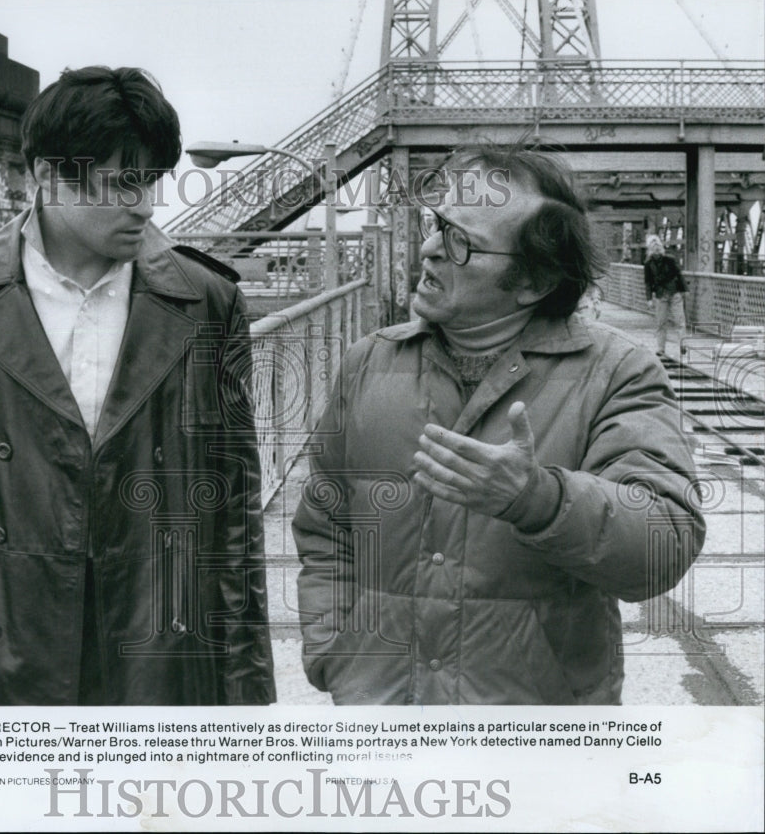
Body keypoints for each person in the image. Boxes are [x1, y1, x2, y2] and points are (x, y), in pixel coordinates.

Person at [0, 66, 275, 706]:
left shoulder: (208, 304)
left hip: (158, 668)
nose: (146, 205)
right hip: (0, 671)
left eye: (154, 181)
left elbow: (234, 522)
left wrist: (246, 701)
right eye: (123, 183)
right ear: (50, 176)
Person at [293, 145, 705, 705]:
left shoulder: (616, 374)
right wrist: (332, 648)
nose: (431, 249)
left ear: (533, 280)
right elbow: (326, 523)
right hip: (380, 716)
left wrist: (540, 499)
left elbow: (665, 542)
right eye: (438, 225)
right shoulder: (369, 363)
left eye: (461, 241)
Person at [644, 235, 688, 358]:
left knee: (679, 320)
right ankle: (660, 348)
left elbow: (679, 275)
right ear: (650, 249)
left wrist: (684, 290)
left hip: (674, 293)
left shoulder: (670, 259)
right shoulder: (648, 264)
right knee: (661, 322)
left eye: (658, 245)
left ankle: (683, 344)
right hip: (660, 294)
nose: (656, 247)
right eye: (653, 245)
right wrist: (649, 299)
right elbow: (648, 282)